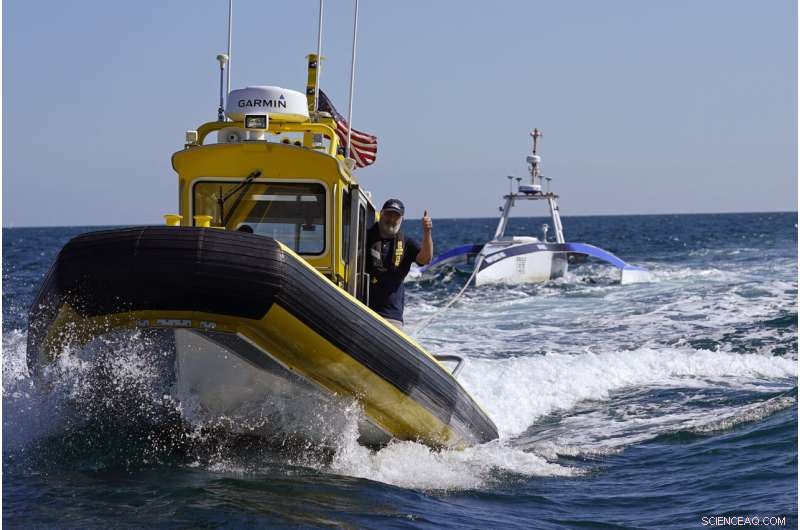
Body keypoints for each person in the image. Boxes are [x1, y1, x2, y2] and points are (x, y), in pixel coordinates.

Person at [366, 199, 433, 329]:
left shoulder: (407, 243)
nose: (391, 219)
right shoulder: (363, 236)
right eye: (389, 214)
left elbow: (425, 259)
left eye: (396, 216)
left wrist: (427, 231)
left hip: (391, 315)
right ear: (381, 214)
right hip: (361, 307)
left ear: (402, 219)